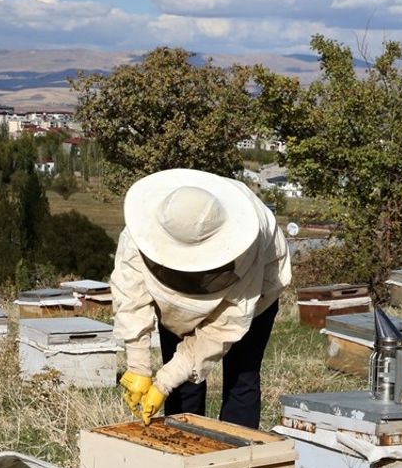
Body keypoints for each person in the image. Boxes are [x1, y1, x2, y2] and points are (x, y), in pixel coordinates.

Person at [111, 168, 292, 429]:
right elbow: (130, 294)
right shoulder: (144, 230)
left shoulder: (249, 245)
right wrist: (138, 365)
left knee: (242, 376)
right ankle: (180, 451)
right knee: (181, 383)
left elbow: (224, 328)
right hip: (173, 301)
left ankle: (236, 458)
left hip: (255, 294)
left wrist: (164, 381)